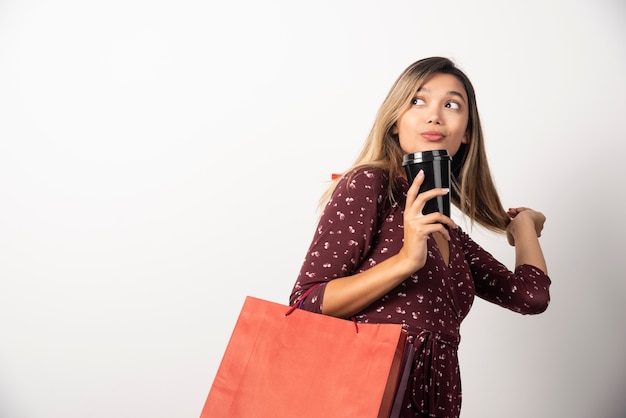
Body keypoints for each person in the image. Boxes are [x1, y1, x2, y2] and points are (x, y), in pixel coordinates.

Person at [289, 56, 551, 418]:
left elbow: (531, 296)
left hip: (435, 405)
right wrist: (405, 261)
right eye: (418, 100)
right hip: (361, 397)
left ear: (467, 131)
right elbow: (304, 303)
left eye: (452, 104)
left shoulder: (448, 232)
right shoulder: (369, 184)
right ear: (395, 121)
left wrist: (523, 229)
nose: (434, 115)